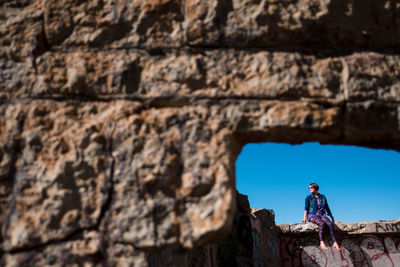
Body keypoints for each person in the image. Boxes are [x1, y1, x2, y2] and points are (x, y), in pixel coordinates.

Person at [301, 183, 340, 250]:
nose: (309, 189)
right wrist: (304, 218)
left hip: (321, 214)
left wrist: (332, 218)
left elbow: (327, 208)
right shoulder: (309, 197)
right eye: (309, 188)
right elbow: (306, 208)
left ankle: (335, 242)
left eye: (310, 187)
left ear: (315, 188)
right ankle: (321, 242)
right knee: (321, 223)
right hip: (312, 215)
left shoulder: (323, 197)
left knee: (330, 224)